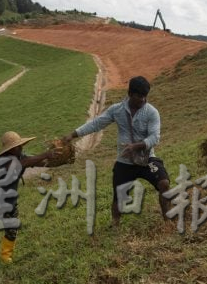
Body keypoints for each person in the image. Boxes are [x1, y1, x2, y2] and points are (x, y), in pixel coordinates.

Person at [65, 75, 171, 227]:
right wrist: (72, 135)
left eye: (145, 96)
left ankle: (168, 221)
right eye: (139, 96)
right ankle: (115, 224)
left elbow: (155, 137)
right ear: (130, 94)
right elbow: (96, 124)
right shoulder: (116, 110)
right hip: (124, 161)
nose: (143, 99)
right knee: (118, 197)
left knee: (164, 183)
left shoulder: (151, 112)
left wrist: (136, 146)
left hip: (146, 159)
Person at [0, 130, 54, 270]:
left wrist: (56, 159)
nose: (21, 148)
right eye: (17, 146)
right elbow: (23, 163)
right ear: (9, 149)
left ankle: (5, 256)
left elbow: (36, 161)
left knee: (11, 230)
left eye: (20, 145)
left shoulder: (21, 156)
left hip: (10, 202)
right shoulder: (1, 162)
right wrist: (45, 154)